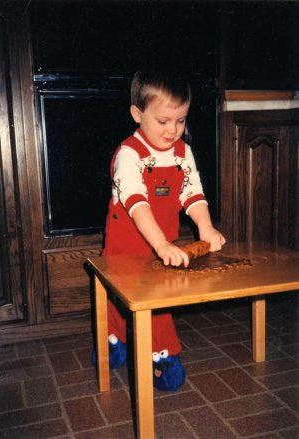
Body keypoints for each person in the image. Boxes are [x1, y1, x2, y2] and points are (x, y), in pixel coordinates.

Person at [93, 69, 226, 391]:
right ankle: (151, 350)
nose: (173, 130)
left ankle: (139, 344)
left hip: (162, 240)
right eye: (164, 121)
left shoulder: (183, 153)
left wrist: (205, 227)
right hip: (127, 242)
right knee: (121, 294)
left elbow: (192, 194)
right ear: (137, 114)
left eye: (180, 121)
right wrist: (162, 245)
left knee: (157, 297)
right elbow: (138, 205)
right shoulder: (129, 154)